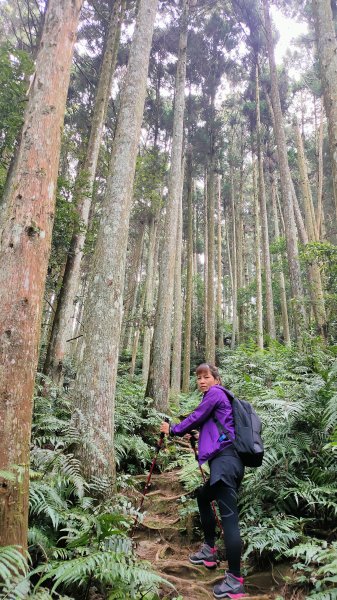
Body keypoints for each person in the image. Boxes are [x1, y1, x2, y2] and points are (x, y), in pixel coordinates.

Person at [160, 363, 247, 599]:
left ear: (216, 379)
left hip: (226, 464)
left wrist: (173, 430)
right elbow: (212, 425)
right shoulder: (220, 399)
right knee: (203, 496)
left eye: (206, 377)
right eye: (198, 378)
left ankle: (235, 580)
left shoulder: (216, 394)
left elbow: (196, 417)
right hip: (227, 464)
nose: (201, 381)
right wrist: (199, 436)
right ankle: (209, 551)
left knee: (229, 520)